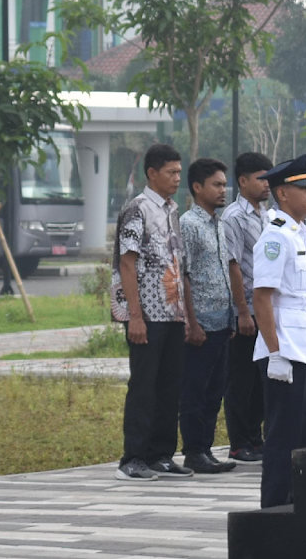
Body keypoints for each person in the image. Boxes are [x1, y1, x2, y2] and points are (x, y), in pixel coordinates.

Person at [112, 143, 191, 480]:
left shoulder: (173, 210)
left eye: (178, 171)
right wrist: (135, 316)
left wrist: (185, 315)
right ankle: (133, 458)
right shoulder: (137, 210)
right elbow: (127, 264)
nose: (177, 178)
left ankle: (161, 455)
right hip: (147, 315)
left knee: (170, 387)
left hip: (172, 314)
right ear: (152, 173)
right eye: (171, 172)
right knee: (144, 387)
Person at [254, 155, 306, 508]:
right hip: (284, 351)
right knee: (283, 439)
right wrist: (275, 352)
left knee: (304, 438)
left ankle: (299, 508)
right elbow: (262, 298)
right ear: (282, 193)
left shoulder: (304, 235)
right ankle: (274, 511)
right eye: (304, 188)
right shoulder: (275, 237)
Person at [178, 157, 241, 473]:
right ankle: (193, 451)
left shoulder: (219, 224)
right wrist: (191, 322)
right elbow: (184, 275)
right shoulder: (188, 225)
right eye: (216, 184)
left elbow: (227, 269)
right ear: (197, 187)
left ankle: (205, 449)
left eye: (223, 184)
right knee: (195, 390)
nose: (222, 190)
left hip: (222, 321)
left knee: (215, 390)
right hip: (200, 323)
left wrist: (232, 315)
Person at [222, 152, 274, 462]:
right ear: (243, 181)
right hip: (246, 312)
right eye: (260, 178)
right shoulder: (234, 217)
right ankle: (239, 442)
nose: (267, 184)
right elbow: (234, 266)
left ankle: (256, 439)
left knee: (260, 379)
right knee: (240, 379)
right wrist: (242, 311)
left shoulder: (266, 215)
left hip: (264, 311)